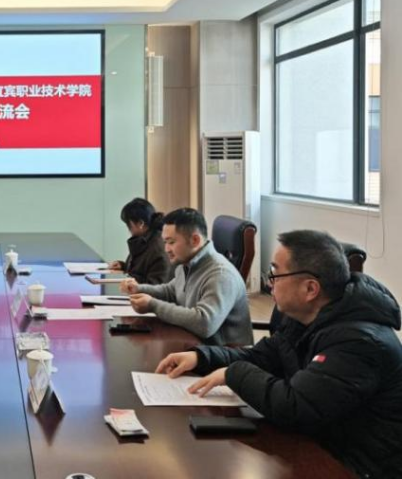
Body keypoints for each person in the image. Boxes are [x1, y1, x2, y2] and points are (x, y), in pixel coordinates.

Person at [156, 230, 402, 479]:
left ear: (310, 288)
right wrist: (202, 357)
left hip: (355, 467)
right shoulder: (303, 317)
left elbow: (295, 407)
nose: (269, 282)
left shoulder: (359, 343)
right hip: (318, 444)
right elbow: (262, 357)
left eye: (275, 274)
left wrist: (234, 373)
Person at [120, 207, 252, 345]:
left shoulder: (221, 275)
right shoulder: (187, 263)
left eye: (171, 242)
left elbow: (204, 323)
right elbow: (171, 291)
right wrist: (138, 288)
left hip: (222, 353)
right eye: (165, 242)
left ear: (195, 240)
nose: (166, 249)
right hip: (193, 344)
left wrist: (153, 305)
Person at [107, 198, 171, 284]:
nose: (128, 229)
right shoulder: (143, 241)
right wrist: (123, 266)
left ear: (141, 223)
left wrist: (130, 283)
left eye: (128, 224)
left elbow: (156, 286)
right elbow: (140, 269)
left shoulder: (157, 248)